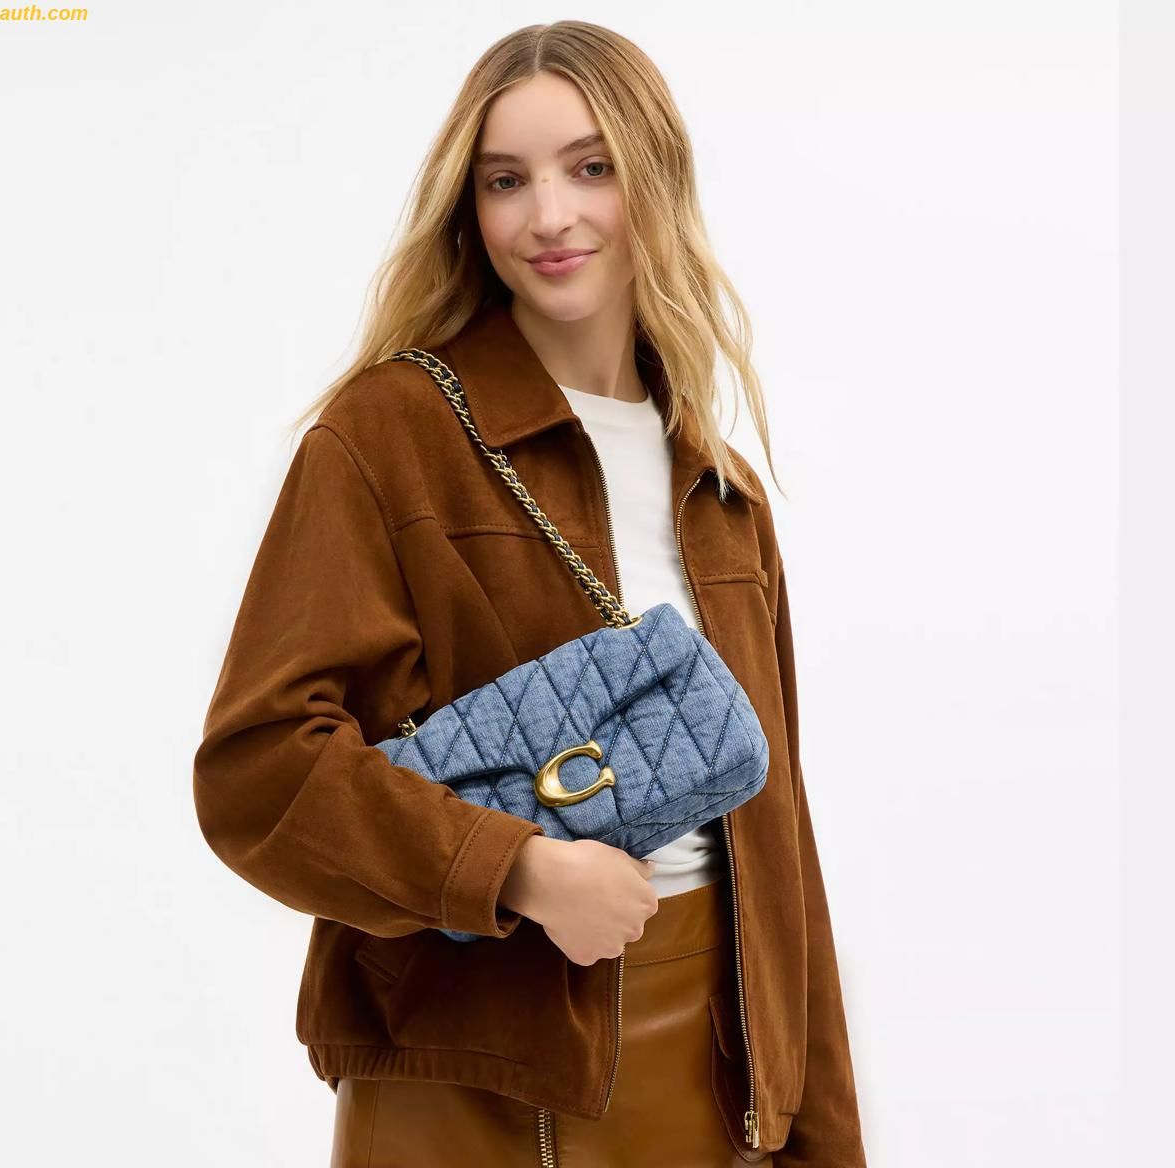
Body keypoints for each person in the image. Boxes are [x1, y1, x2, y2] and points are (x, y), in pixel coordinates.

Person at [193, 20, 866, 1168]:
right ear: (469, 211)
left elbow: (777, 844)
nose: (548, 215)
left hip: (712, 1084)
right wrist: (515, 868)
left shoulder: (719, 490)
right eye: (506, 180)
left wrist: (818, 1139)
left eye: (589, 167)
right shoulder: (388, 435)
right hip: (475, 1093)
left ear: (654, 179)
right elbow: (258, 771)